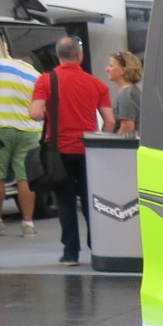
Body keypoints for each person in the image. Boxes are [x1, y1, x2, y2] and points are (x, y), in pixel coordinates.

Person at [29, 37, 112, 266]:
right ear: (79, 56)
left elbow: (35, 113)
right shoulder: (96, 83)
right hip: (88, 151)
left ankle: (70, 253)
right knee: (89, 201)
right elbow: (110, 121)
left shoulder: (46, 80)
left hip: (59, 151)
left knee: (65, 202)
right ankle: (98, 249)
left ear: (57, 56)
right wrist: (100, 140)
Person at [0, 51, 44, 239]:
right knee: (25, 178)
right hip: (29, 131)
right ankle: (28, 225)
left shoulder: (0, 62)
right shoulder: (37, 76)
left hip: (2, 127)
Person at [107, 50, 142, 135]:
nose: (107, 69)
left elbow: (127, 127)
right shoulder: (132, 92)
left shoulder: (126, 95)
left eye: (111, 66)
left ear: (123, 70)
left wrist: (114, 142)